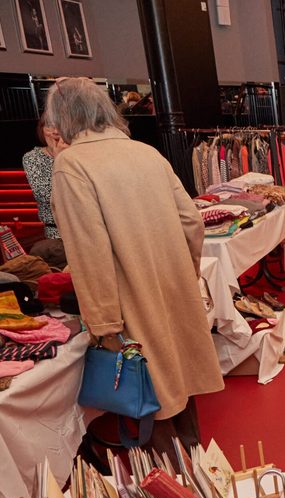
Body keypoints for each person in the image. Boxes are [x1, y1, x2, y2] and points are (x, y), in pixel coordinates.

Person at [47, 77, 223, 450]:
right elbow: (191, 222)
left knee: (148, 397)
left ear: (61, 118)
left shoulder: (71, 165)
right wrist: (184, 273)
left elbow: (89, 251)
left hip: (129, 301)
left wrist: (103, 324)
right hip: (172, 287)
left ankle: (174, 484)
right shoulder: (146, 153)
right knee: (179, 389)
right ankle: (199, 473)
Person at [22, 118, 68, 240]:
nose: (55, 131)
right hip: (56, 234)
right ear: (41, 130)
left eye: (60, 125)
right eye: (49, 126)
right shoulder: (33, 157)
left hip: (87, 227)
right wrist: (58, 160)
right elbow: (45, 195)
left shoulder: (78, 153)